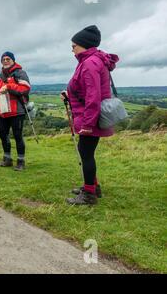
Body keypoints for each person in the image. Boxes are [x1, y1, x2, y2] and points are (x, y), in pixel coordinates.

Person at [62, 25, 119, 205]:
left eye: (74, 46)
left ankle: (89, 195)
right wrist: (70, 95)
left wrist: (87, 124)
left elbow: (93, 96)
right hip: (92, 115)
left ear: (83, 44)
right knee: (86, 152)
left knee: (85, 153)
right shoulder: (93, 60)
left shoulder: (89, 63)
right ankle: (93, 187)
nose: (72, 49)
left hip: (90, 118)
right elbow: (87, 91)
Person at [0, 51, 31, 171]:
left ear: (13, 60)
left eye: (8, 59)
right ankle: (7, 159)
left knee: (18, 136)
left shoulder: (20, 73)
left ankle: (21, 162)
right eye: (3, 59)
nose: (5, 61)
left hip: (17, 110)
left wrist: (8, 87)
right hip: (1, 111)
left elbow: (25, 89)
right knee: (3, 135)